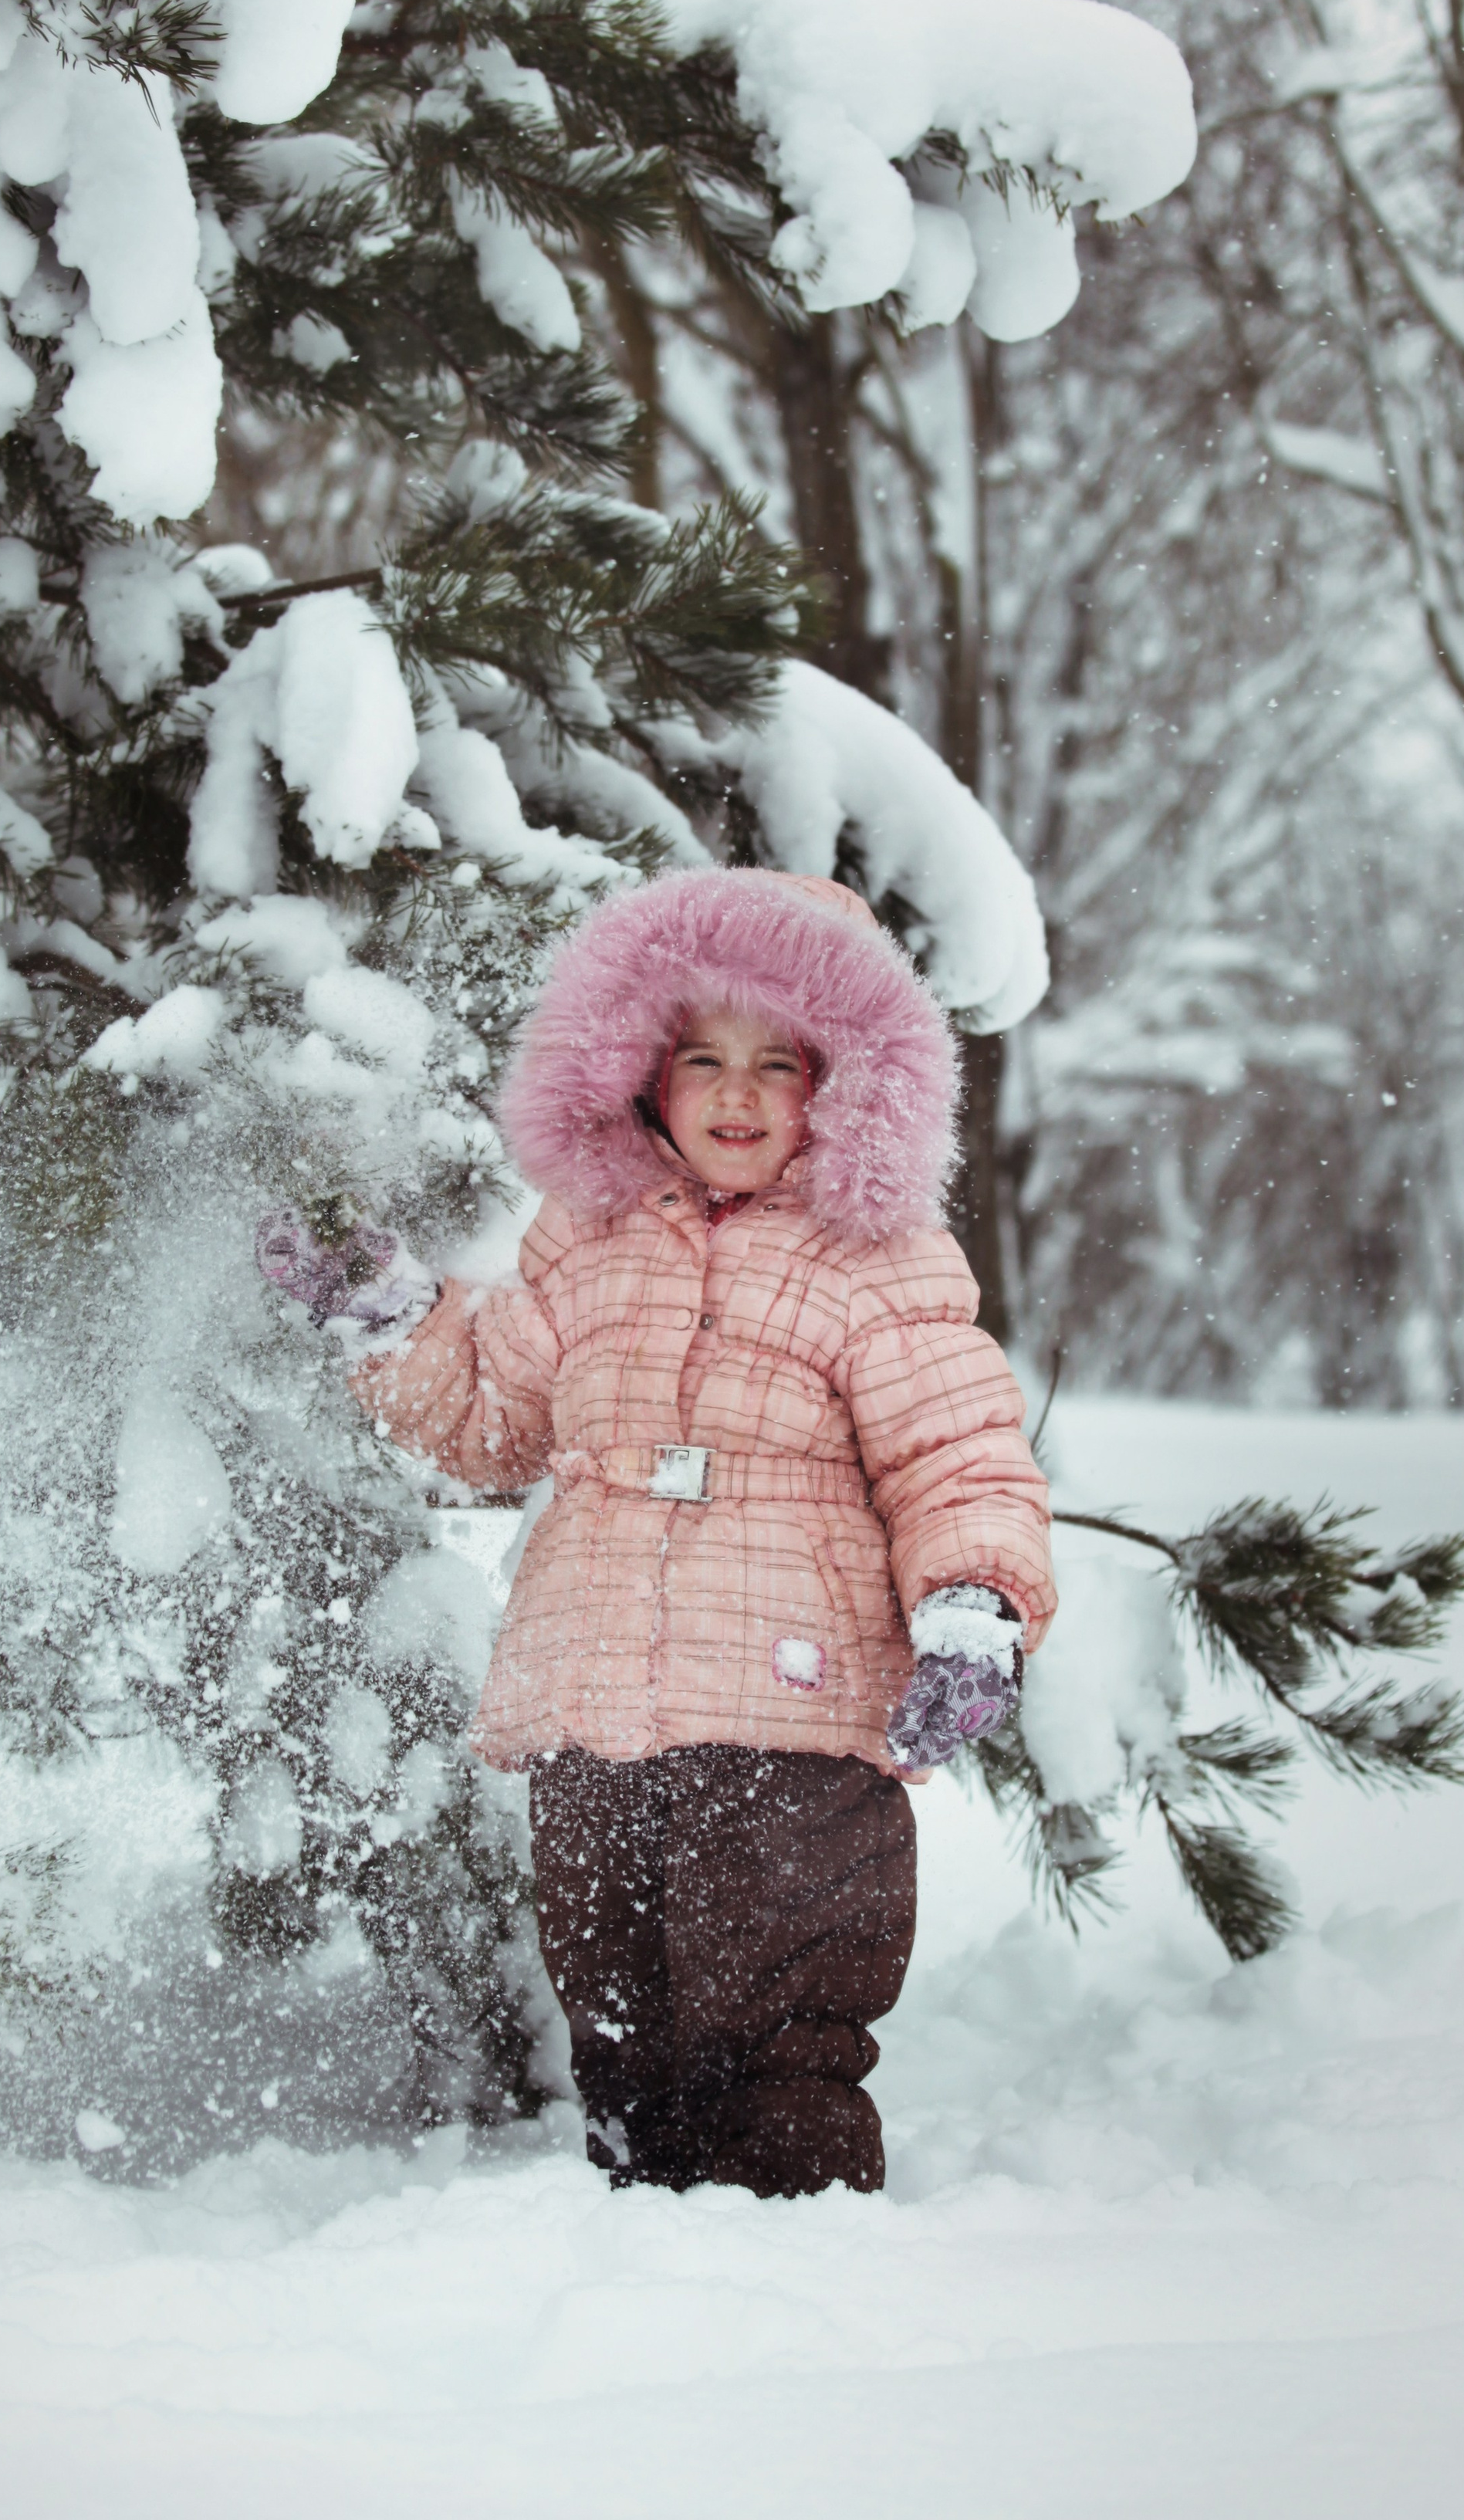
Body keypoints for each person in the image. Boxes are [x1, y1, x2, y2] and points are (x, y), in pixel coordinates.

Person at [256, 868, 1055, 2197]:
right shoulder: (590, 1242)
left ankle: (797, 2256)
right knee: (625, 2025)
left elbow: (955, 1452)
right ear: (641, 1068)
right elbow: (495, 1417)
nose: (736, 1097)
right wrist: (391, 1312)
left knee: (775, 2029)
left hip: (789, 1730)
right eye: (702, 1058)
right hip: (595, 1710)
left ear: (847, 1080)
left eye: (776, 1064)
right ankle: (642, 2270)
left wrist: (974, 1601)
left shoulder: (883, 1262)